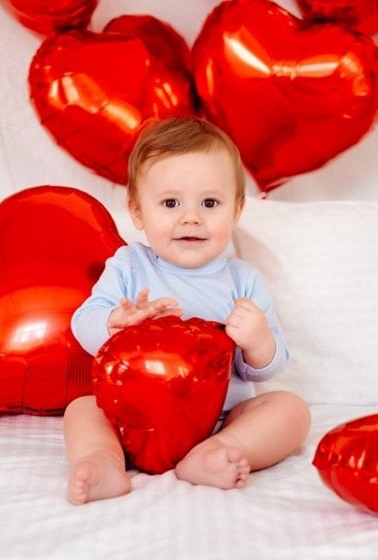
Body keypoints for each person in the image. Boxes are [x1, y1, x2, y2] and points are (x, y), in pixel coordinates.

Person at [64, 116, 311, 505]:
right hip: (133, 418)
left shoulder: (242, 280)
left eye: (210, 203)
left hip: (220, 419)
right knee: (82, 408)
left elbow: (266, 366)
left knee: (291, 410)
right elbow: (83, 323)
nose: (191, 217)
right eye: (170, 203)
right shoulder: (129, 265)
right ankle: (104, 460)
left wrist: (258, 340)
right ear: (138, 212)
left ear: (236, 210)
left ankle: (215, 453)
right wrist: (116, 324)